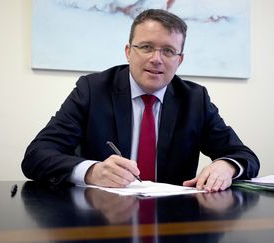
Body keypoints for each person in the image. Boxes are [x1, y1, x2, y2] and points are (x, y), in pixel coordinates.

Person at [22, 9, 259, 192]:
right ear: (128, 51)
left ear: (180, 60)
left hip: (173, 222)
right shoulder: (93, 90)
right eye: (146, 47)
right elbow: (36, 155)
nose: (156, 59)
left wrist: (227, 166)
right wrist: (91, 172)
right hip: (100, 220)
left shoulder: (195, 99)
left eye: (168, 51)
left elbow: (244, 156)